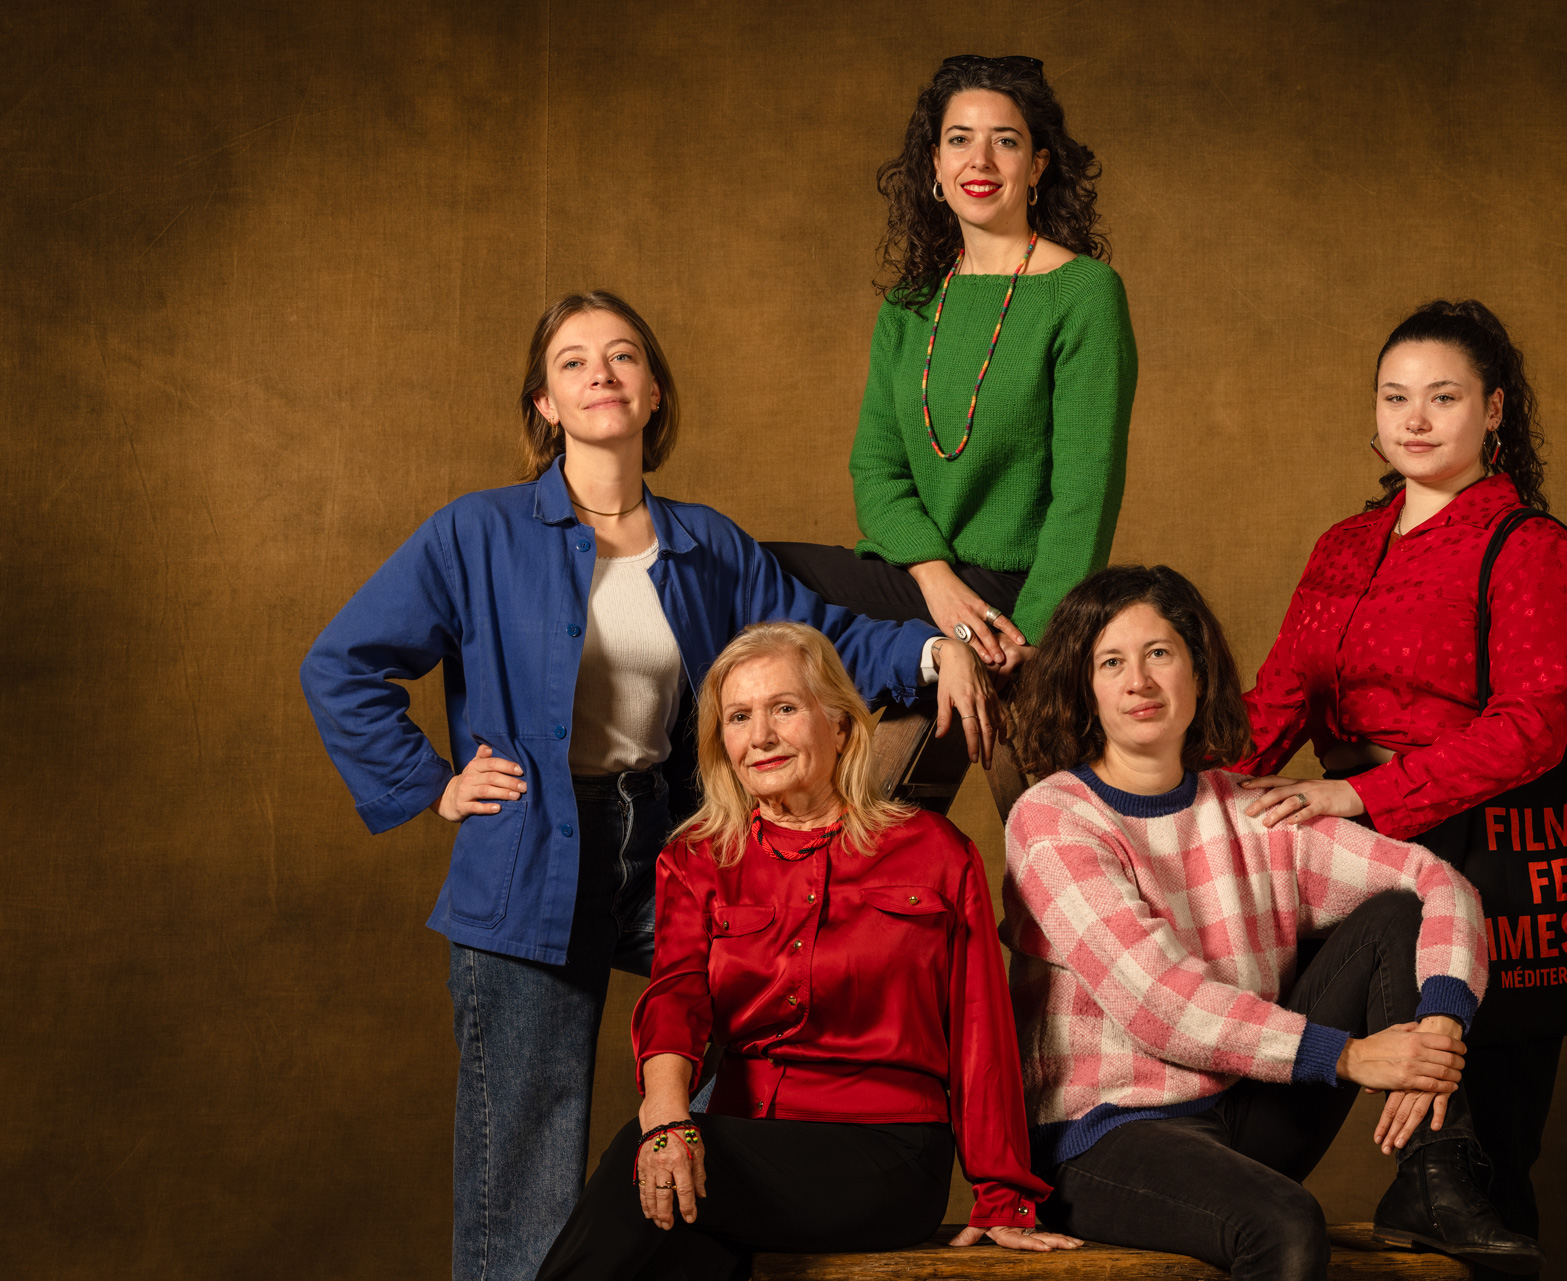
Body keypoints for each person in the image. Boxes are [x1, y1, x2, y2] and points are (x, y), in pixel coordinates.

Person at [299, 291, 997, 1281]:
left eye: (623, 355)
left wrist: (933, 651)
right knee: (525, 1181)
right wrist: (433, 784)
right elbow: (342, 663)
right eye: (573, 361)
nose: (602, 373)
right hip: (529, 857)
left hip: (667, 842)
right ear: (544, 403)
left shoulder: (707, 545)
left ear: (654, 390)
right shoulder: (478, 533)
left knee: (735, 1086)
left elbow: (820, 639)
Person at [1000, 565, 1543, 1279]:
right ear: (1084, 689)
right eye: (1111, 662)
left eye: (1159, 653)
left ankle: (1434, 1176)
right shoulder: (1053, 818)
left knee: (1396, 912)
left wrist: (1441, 1022)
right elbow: (1159, 1002)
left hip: (1241, 1108)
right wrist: (1349, 1056)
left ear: (1199, 673)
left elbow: (1436, 880)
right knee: (1286, 1226)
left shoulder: (1249, 809)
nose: (1139, 681)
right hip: (1106, 1133)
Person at [537, 622, 1080, 1278]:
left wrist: (1002, 1193)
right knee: (676, 1236)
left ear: (841, 727)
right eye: (739, 717)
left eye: (784, 708)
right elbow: (676, 997)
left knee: (646, 1171)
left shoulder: (935, 851)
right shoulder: (697, 858)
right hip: (746, 1141)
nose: (761, 735)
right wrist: (666, 1119)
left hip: (887, 1152)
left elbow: (979, 1028)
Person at [1236, 300, 1567, 1248]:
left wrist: (1360, 793)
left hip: (1486, 844)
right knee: (1384, 1112)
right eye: (1395, 396)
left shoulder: (1531, 545)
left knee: (1489, 1159)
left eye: (1443, 397)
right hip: (1353, 851)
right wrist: (1152, 789)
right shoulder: (1343, 545)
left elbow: (1531, 730)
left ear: (1494, 409)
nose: (1416, 418)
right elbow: (1276, 703)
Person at [765, 53, 1137, 678]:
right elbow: (877, 472)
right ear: (935, 164)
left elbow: (1085, 497)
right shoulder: (909, 306)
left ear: (1037, 165)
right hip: (925, 581)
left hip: (1016, 595)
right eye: (960, 140)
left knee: (745, 577)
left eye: (1006, 141)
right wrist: (934, 577)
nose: (980, 160)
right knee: (735, 567)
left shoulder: (1084, 294)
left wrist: (1037, 636)